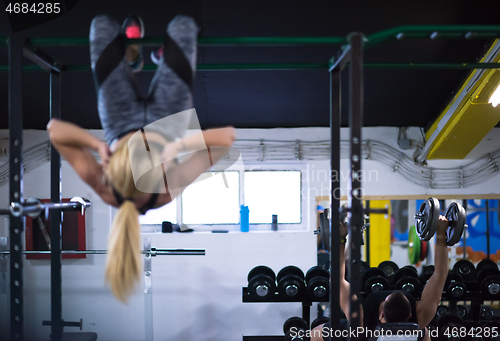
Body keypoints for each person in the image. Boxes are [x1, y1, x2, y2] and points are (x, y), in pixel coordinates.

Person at [47, 14, 236, 303]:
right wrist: (180, 145)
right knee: (182, 25)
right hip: (168, 120)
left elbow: (54, 130)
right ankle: (157, 60)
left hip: (119, 117)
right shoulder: (161, 195)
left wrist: (97, 146)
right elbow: (226, 138)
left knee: (101, 25)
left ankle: (131, 59)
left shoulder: (106, 186)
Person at [312, 216, 450, 341]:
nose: (387, 295)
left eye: (385, 299)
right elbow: (440, 273)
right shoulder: (420, 315)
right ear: (409, 316)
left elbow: (337, 281)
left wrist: (340, 239)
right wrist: (441, 233)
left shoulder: (361, 322)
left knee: (316, 334)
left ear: (381, 316)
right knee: (424, 333)